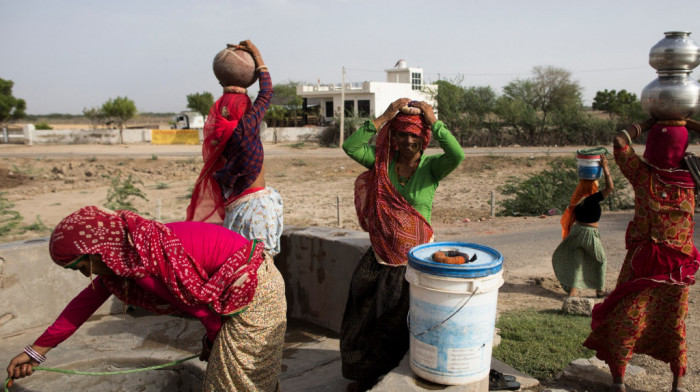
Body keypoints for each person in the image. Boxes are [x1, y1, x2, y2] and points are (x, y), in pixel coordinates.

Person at [6, 206, 287, 391]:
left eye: (81, 267)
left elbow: (204, 314)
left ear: (95, 253)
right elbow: (81, 307)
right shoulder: (126, 255)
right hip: (237, 285)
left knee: (237, 383)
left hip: (254, 288)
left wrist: (213, 345)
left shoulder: (143, 262)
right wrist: (36, 352)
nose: (84, 275)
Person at [339, 98, 465, 391]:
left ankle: (393, 375)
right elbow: (351, 147)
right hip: (380, 258)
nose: (408, 140)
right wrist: (384, 116)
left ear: (424, 138)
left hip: (415, 262)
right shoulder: (382, 163)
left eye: (414, 134)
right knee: (366, 315)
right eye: (401, 134)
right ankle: (367, 374)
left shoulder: (432, 168)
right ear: (393, 137)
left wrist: (433, 118)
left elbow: (457, 154)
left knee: (399, 324)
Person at [583, 118, 700, 392]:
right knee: (674, 322)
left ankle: (619, 380)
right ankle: (677, 384)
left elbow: (620, 142)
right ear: (682, 147)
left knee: (627, 317)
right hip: (678, 266)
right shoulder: (693, 179)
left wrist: (650, 121)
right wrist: (688, 123)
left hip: (644, 263)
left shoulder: (643, 175)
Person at [187, 39, 283, 257]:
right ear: (243, 109)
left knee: (237, 272)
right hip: (256, 210)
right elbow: (266, 92)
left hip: (235, 212)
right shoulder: (245, 130)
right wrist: (257, 55)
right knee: (260, 273)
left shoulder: (222, 135)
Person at [552, 155, 614, 298]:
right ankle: (600, 290)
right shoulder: (592, 198)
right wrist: (605, 167)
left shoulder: (577, 200)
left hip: (576, 232)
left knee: (577, 261)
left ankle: (573, 292)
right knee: (601, 259)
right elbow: (610, 187)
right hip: (589, 234)